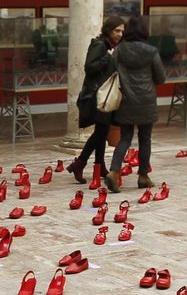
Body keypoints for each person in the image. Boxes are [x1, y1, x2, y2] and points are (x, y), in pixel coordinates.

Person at [108, 15, 167, 192]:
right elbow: (160, 77)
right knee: (145, 139)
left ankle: (114, 172)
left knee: (125, 138)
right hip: (146, 100)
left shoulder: (119, 50)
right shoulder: (151, 51)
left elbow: (112, 71)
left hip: (126, 99)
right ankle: (143, 176)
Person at [67, 15, 126, 183]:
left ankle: (99, 166)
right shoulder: (101, 45)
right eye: (117, 30)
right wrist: (109, 56)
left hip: (103, 95)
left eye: (122, 31)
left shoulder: (110, 45)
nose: (120, 34)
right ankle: (80, 162)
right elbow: (89, 67)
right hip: (97, 96)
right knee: (101, 131)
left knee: (102, 131)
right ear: (108, 30)